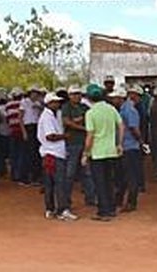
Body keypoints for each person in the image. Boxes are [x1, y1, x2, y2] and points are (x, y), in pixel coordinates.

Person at [82, 84, 124, 222]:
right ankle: (111, 209)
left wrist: (85, 153)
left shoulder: (91, 113)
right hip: (111, 151)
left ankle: (103, 211)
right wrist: (119, 143)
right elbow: (121, 125)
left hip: (97, 152)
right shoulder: (110, 109)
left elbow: (90, 136)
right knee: (109, 181)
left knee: (99, 182)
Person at [38, 92, 78, 221]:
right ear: (49, 103)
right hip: (53, 152)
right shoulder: (47, 117)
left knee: (50, 183)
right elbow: (50, 136)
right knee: (59, 182)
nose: (57, 104)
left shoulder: (56, 114)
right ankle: (62, 209)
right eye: (54, 102)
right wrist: (64, 136)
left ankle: (50, 209)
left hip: (52, 152)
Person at [62, 85, 95, 208]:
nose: (77, 96)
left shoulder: (84, 107)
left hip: (84, 142)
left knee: (86, 172)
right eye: (74, 94)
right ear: (70, 96)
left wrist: (76, 121)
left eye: (79, 94)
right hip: (72, 143)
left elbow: (87, 119)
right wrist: (82, 126)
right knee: (69, 173)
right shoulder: (66, 107)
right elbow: (66, 122)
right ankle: (66, 201)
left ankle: (90, 198)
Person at [113, 86, 142, 212]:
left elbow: (134, 128)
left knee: (131, 176)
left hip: (130, 146)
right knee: (123, 175)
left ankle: (131, 202)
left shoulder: (129, 110)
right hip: (125, 146)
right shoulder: (123, 109)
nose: (113, 100)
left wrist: (141, 141)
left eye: (115, 98)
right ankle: (120, 200)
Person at [21, 86, 45, 185]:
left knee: (36, 153)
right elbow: (20, 118)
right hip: (28, 127)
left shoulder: (38, 103)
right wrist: (24, 132)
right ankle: (27, 176)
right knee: (29, 153)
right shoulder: (24, 102)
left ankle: (36, 176)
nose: (35, 95)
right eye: (33, 92)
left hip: (37, 126)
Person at [5, 88, 26, 183]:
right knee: (22, 153)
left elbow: (7, 118)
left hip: (12, 131)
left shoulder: (8, 105)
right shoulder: (24, 104)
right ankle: (20, 174)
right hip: (22, 131)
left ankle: (13, 174)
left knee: (13, 153)